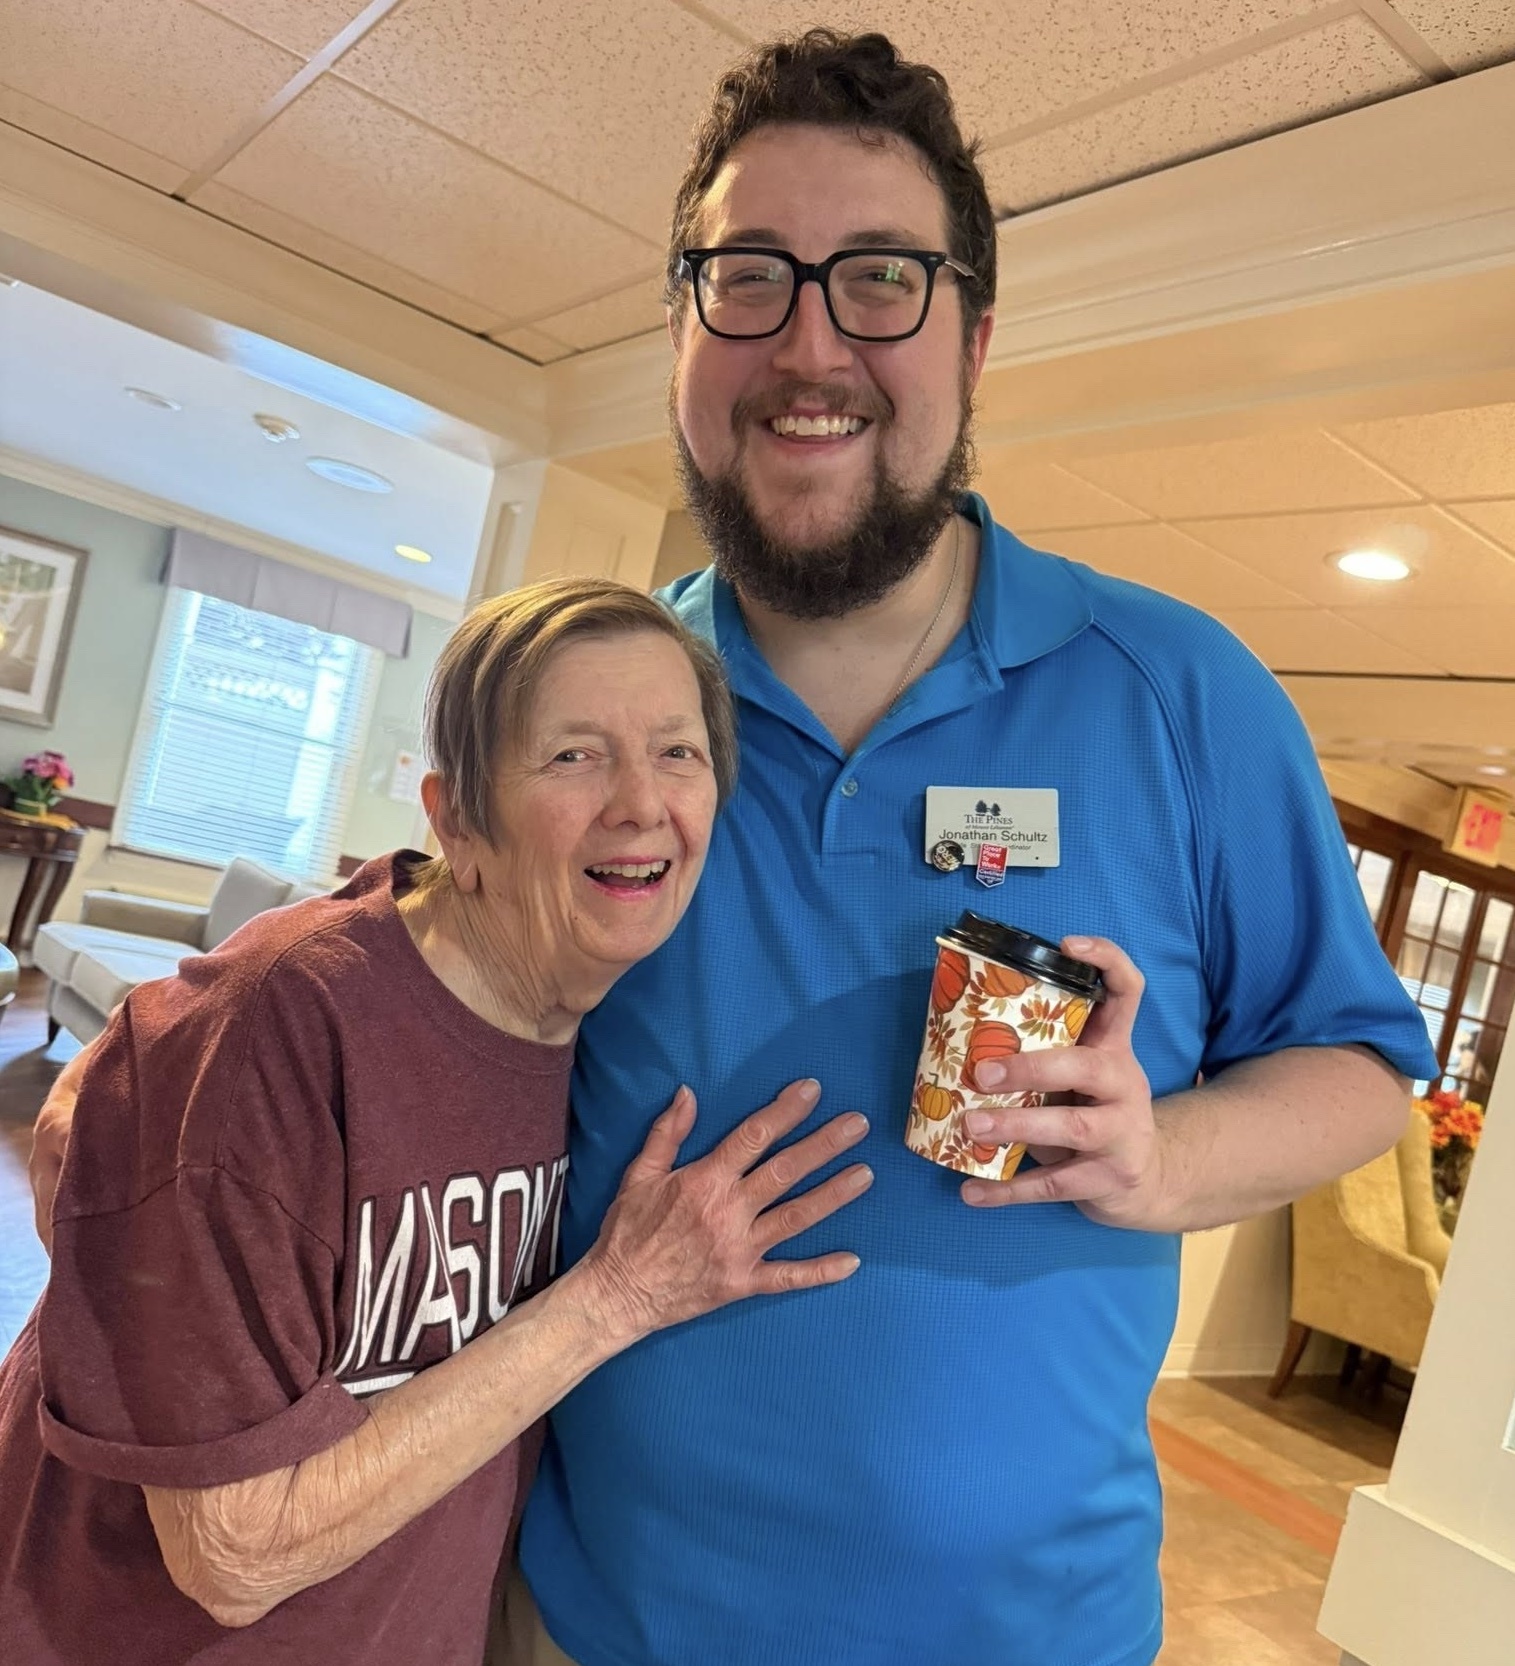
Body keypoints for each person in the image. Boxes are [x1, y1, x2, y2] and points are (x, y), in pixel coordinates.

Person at [28, 29, 1438, 1666]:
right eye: (749, 278)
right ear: (683, 335)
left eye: (883, 282)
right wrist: (164, 1061)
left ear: (977, 339)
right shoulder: (599, 700)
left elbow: (1359, 1061)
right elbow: (419, 926)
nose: (812, 343)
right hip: (594, 1624)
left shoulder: (1185, 694)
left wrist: (1158, 1158)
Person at [0, 576, 872, 1665]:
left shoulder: (620, 1016)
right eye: (575, 753)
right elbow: (233, 1554)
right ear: (458, 815)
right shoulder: (283, 1027)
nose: (642, 803)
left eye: (678, 752)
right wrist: (618, 1296)